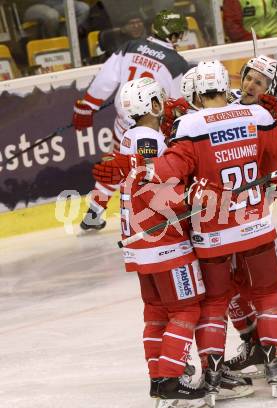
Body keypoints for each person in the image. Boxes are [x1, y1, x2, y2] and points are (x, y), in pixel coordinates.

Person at [136, 60, 277, 402]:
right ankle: (275, 365)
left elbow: (162, 177)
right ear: (226, 86)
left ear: (196, 91)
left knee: (213, 303)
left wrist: (188, 192)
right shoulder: (255, 117)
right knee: (268, 293)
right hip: (255, 227)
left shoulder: (188, 125)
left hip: (211, 236)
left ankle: (211, 375)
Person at [98, 77, 206, 406]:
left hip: (139, 242)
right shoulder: (148, 139)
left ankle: (159, 378)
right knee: (187, 308)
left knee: (156, 313)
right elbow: (159, 183)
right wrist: (194, 199)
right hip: (163, 242)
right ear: (153, 106)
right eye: (160, 100)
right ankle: (172, 380)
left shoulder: (131, 136)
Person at [72, 9, 190, 232]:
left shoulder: (131, 46)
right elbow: (179, 105)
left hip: (124, 125)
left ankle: (94, 212)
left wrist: (88, 106)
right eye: (179, 34)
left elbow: (106, 79)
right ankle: (156, 213)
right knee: (154, 170)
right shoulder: (177, 64)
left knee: (119, 165)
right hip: (152, 130)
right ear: (173, 35)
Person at [23, 0, 90, 38]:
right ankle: (52, 42)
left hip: (58, 4)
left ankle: (66, 38)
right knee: (52, 16)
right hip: (35, 5)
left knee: (83, 8)